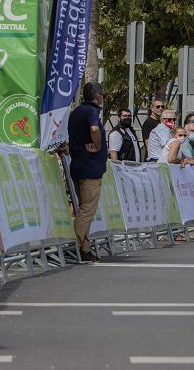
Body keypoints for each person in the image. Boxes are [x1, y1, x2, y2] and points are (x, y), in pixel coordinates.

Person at [67, 82, 108, 262]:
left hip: (78, 165)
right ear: (98, 96)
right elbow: (94, 128)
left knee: (83, 209)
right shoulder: (91, 112)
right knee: (87, 210)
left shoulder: (75, 112)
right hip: (89, 168)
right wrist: (98, 145)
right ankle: (77, 247)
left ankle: (84, 247)